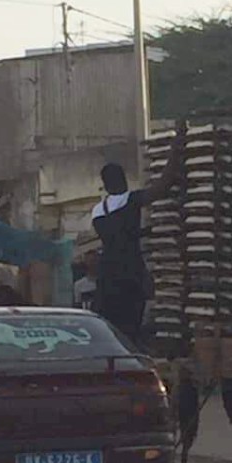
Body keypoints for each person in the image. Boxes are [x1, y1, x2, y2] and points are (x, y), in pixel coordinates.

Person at [92, 122, 187, 344]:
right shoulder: (132, 200)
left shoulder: (98, 212)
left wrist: (143, 232)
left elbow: (118, 236)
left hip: (107, 277)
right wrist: (177, 147)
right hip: (130, 275)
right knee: (132, 328)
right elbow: (163, 186)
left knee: (111, 329)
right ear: (121, 180)